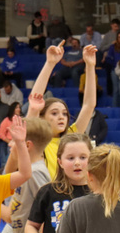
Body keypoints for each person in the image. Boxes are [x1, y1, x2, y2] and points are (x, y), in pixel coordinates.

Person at [23, 42, 99, 178]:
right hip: (44, 195)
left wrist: (90, 66)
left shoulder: (70, 137)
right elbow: (34, 100)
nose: (61, 117)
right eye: (54, 113)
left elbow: (88, 105)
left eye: (64, 114)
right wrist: (50, 64)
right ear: (42, 118)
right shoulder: (37, 140)